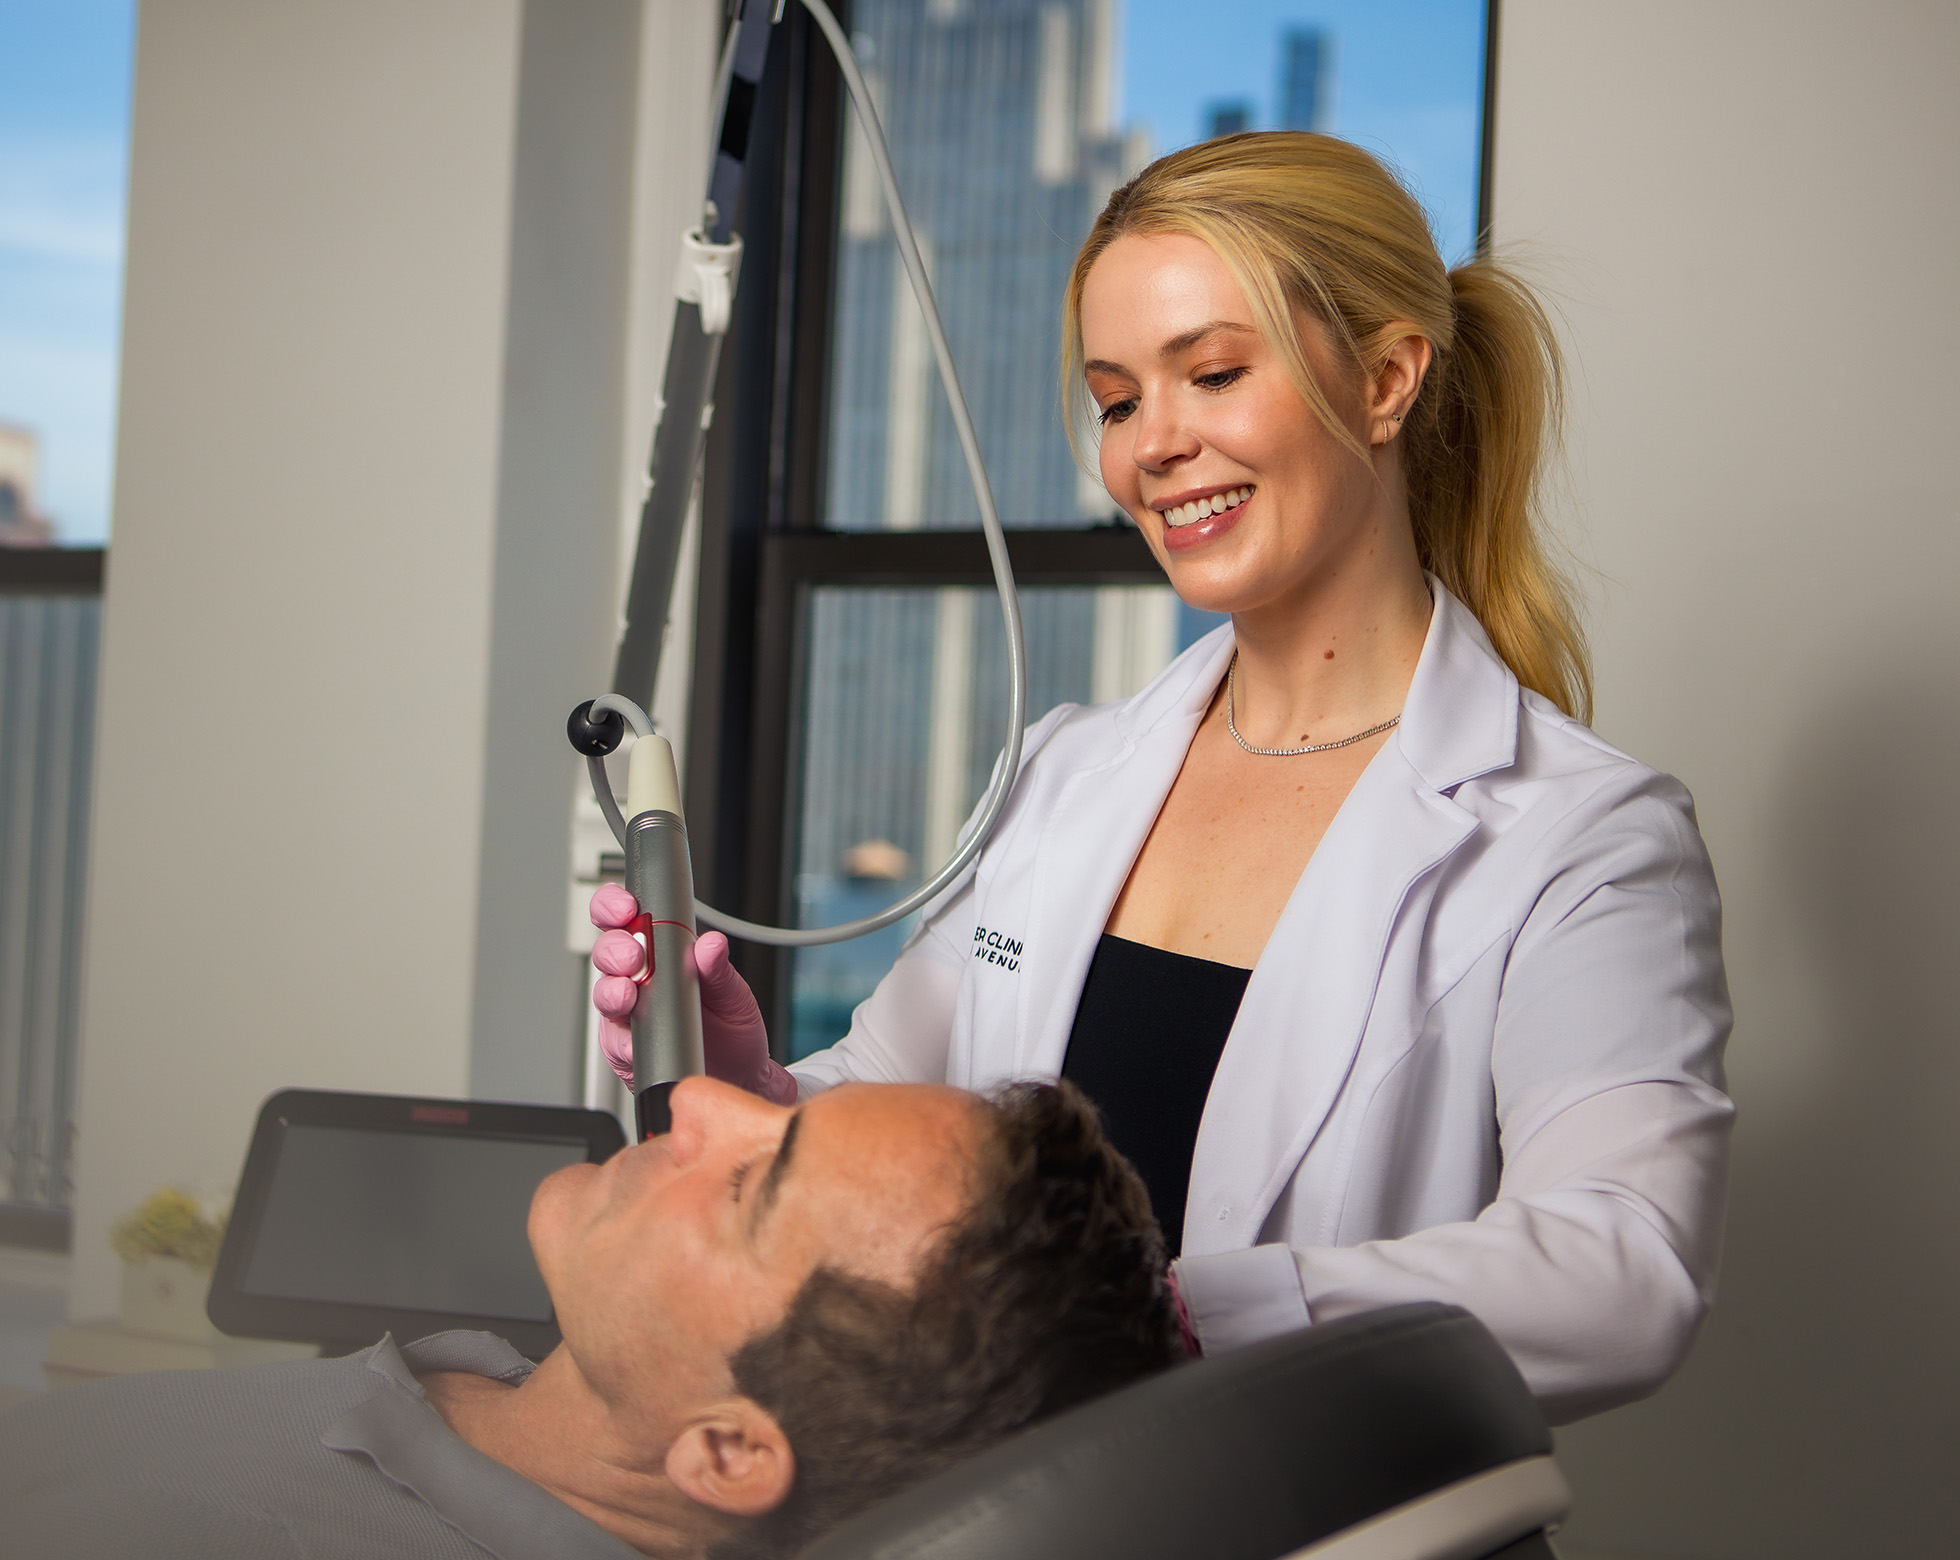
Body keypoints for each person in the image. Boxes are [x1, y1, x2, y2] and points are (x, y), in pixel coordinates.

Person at [593, 131, 1732, 1426]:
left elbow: (1621, 1271)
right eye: (1120, 400)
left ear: (1386, 380)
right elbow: (904, 1098)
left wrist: (1157, 1316)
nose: (1155, 447)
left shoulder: (1579, 833)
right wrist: (760, 1088)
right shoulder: (1068, 768)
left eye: (1215, 373)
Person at [0, 1077, 1179, 1560]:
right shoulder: (477, 1376)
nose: (704, 1096)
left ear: (725, 1449)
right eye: (782, 1112)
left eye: (745, 1187)